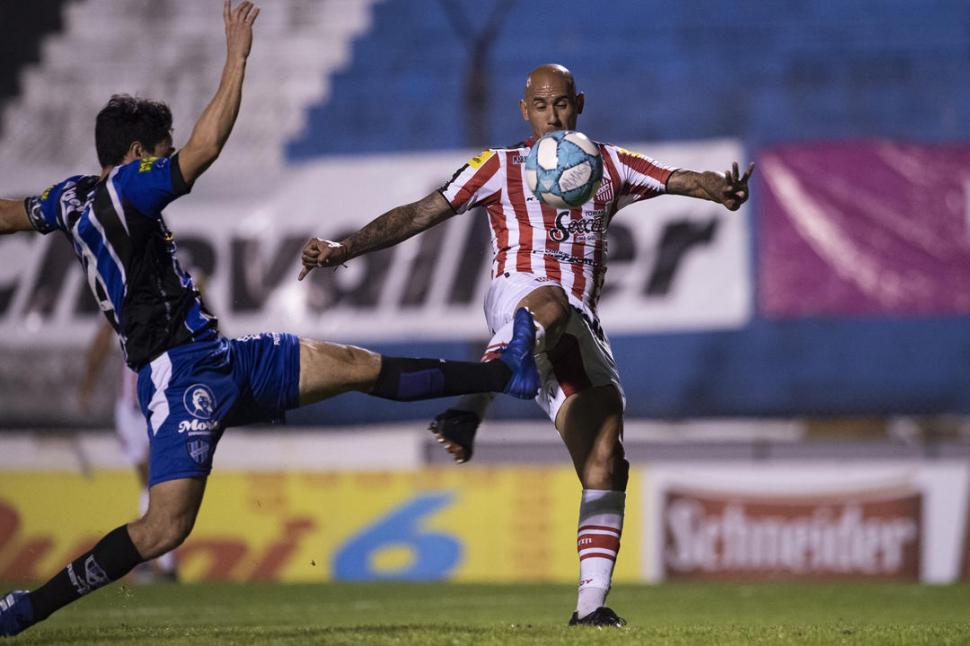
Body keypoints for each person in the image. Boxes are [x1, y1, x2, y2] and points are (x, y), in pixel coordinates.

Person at [0, 2, 539, 637]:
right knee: (164, 528)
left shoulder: (72, 197)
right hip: (181, 374)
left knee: (355, 365)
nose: (167, 158)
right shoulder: (131, 187)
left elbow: (13, 213)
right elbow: (205, 148)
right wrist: (237, 57)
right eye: (159, 150)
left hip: (224, 357)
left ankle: (503, 374)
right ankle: (28, 608)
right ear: (139, 152)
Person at [298, 63, 754, 627]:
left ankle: (591, 609)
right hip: (517, 295)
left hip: (578, 323)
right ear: (523, 110)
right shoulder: (498, 166)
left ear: (579, 103)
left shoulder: (607, 165)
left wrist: (723, 190)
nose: (553, 116)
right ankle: (480, 394)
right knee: (550, 305)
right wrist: (342, 250)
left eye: (562, 104)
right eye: (541, 106)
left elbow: (681, 178)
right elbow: (420, 213)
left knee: (607, 458)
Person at [79, 321, 179, 583]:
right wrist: (89, 381)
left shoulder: (177, 294)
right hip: (134, 408)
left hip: (163, 404)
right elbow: (102, 339)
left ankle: (157, 561)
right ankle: (160, 562)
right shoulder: (128, 300)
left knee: (155, 481)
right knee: (152, 482)